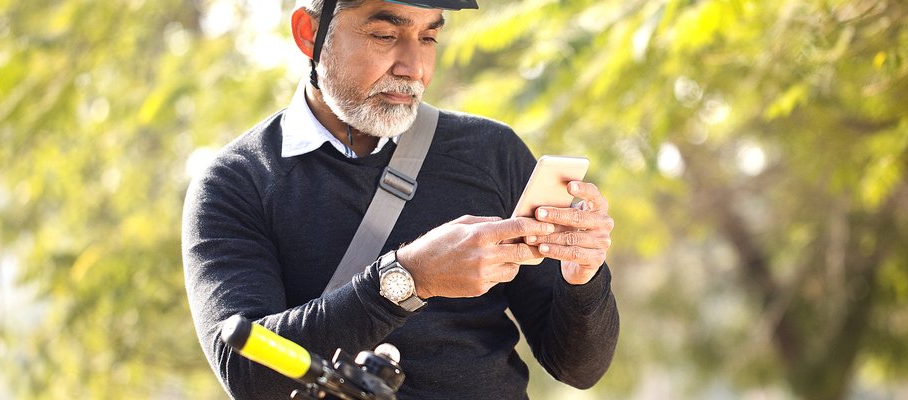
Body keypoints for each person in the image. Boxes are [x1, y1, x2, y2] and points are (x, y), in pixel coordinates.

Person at [180, 0, 620, 398]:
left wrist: (583, 276)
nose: (414, 67)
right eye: (385, 35)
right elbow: (246, 371)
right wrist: (408, 278)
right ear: (309, 34)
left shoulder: (492, 152)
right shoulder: (236, 182)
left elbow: (578, 369)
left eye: (428, 36)